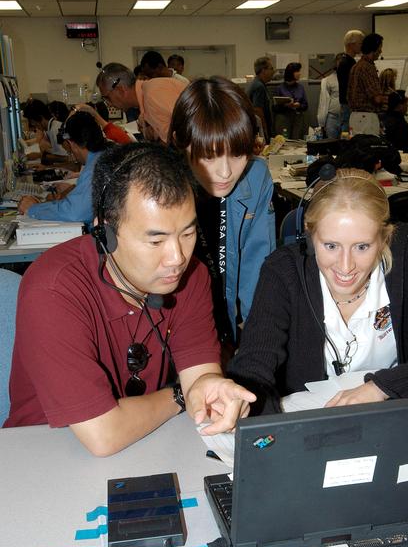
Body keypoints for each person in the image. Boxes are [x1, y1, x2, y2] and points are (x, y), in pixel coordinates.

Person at [5, 142, 256, 455]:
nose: (177, 257)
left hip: (143, 441)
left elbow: (201, 376)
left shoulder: (191, 277)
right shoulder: (53, 288)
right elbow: (104, 435)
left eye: (187, 234)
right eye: (156, 240)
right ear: (105, 234)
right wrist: (180, 395)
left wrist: (210, 390)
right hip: (43, 453)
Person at [228, 168, 408, 415]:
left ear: (384, 238)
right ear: (310, 237)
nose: (346, 266)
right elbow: (254, 365)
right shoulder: (283, 271)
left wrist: (380, 388)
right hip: (310, 420)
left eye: (362, 247)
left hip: (395, 414)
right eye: (331, 245)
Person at [169, 76, 276, 348]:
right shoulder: (157, 187)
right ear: (180, 143)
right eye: (209, 156)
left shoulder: (256, 176)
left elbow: (259, 271)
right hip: (169, 321)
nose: (226, 172)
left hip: (225, 322)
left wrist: (259, 345)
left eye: (238, 154)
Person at [17, 110, 106, 224]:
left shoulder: (95, 168)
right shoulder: (102, 157)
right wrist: (73, 189)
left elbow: (75, 212)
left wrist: (34, 208)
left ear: (72, 144)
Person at [96, 62, 186, 143]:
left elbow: (188, 132)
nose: (108, 104)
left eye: (107, 98)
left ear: (121, 90)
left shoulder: (153, 94)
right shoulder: (145, 105)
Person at [347, 33, 387, 136]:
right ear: (374, 48)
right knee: (370, 148)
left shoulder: (356, 66)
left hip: (354, 117)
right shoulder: (368, 67)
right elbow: (376, 98)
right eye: (380, 48)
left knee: (358, 148)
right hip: (367, 118)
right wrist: (387, 98)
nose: (381, 51)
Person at [23, 98, 69, 163]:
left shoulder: (55, 129)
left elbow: (66, 158)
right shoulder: (50, 128)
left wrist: (42, 156)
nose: (33, 125)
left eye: (33, 121)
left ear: (40, 117)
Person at [337, 30, 365, 133]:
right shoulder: (346, 63)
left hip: (348, 104)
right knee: (348, 132)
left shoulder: (350, 61)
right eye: (360, 43)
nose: (362, 46)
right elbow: (350, 86)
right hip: (348, 104)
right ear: (352, 45)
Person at [274, 62, 308, 139]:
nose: (299, 73)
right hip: (284, 119)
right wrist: (285, 105)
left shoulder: (300, 87)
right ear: (291, 73)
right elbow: (275, 108)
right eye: (297, 71)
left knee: (296, 142)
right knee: (284, 141)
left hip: (297, 118)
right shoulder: (280, 88)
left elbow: (305, 105)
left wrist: (298, 105)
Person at [247, 56, 275, 143]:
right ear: (263, 70)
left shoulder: (258, 84)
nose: (273, 71)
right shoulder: (259, 86)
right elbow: (258, 110)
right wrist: (265, 131)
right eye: (271, 68)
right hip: (259, 129)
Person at [317, 54, 343, 139]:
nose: (341, 63)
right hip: (332, 117)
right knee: (331, 144)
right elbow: (323, 102)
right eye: (339, 61)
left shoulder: (351, 77)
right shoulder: (328, 80)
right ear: (335, 63)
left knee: (346, 145)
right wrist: (322, 122)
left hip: (347, 117)